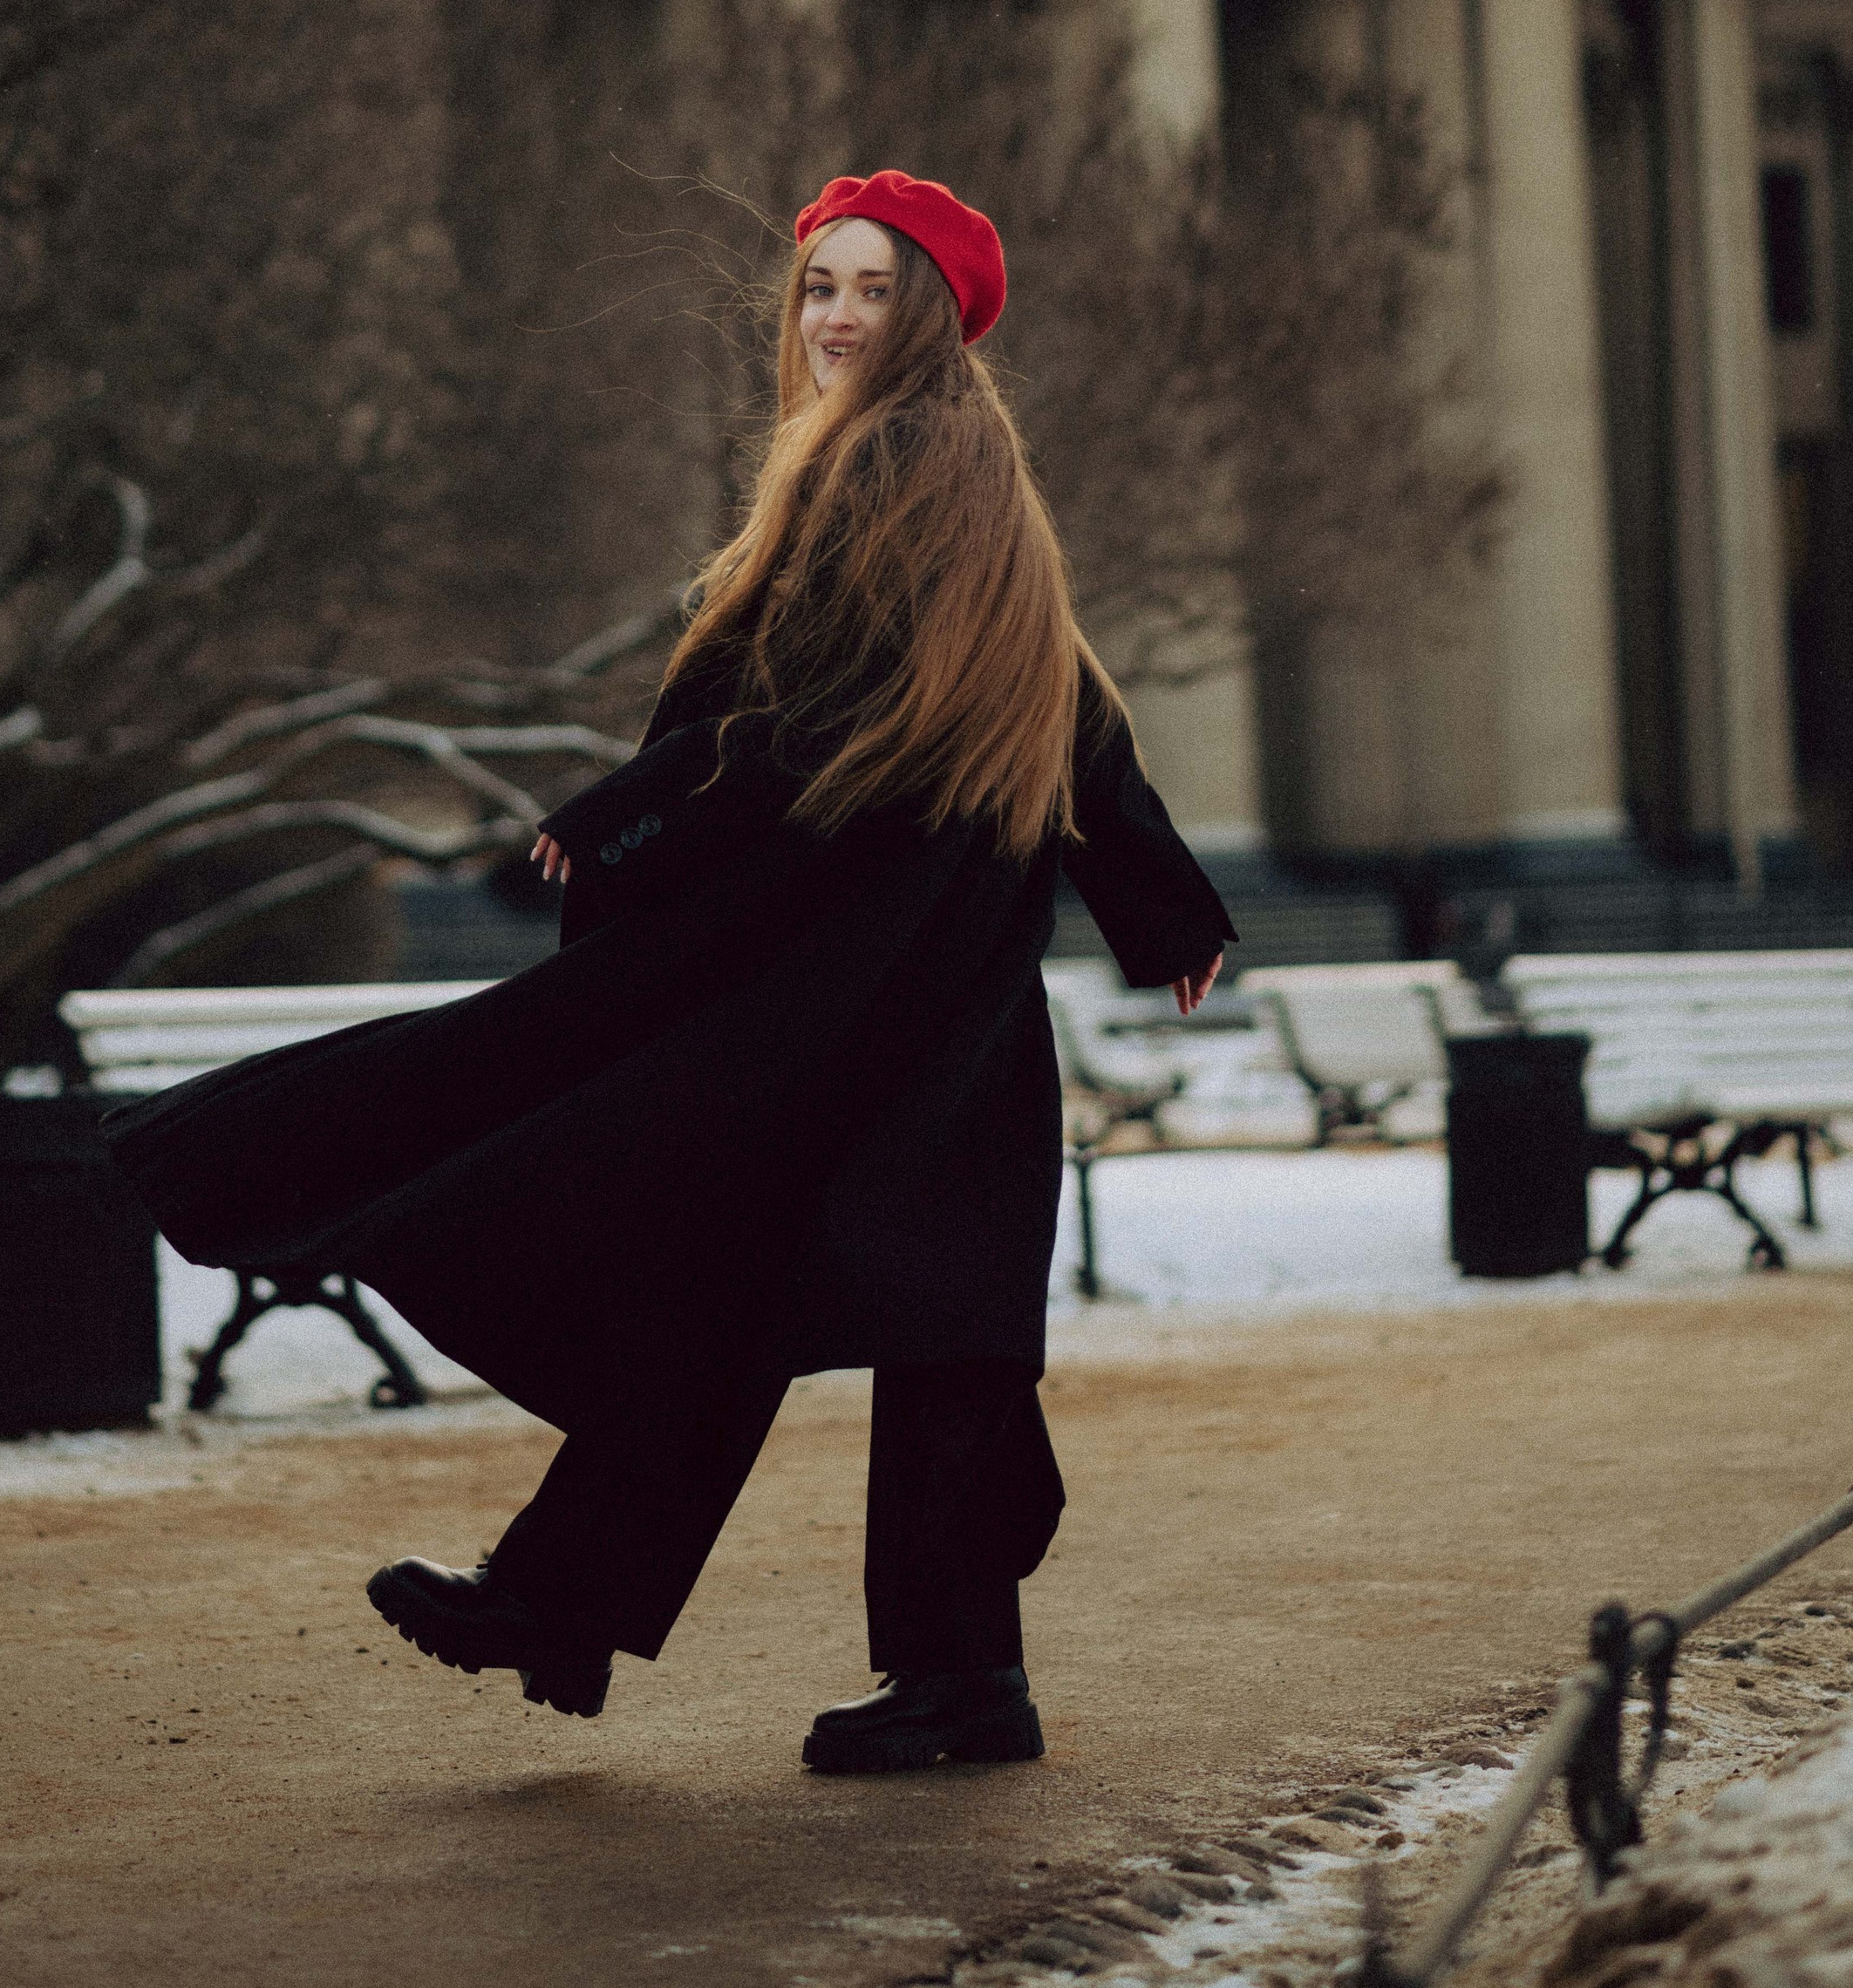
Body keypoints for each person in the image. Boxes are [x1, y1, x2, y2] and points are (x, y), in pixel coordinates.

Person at [105, 168, 1230, 1776]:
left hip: (879, 975)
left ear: (937, 317)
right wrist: (1161, 901)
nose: (836, 315)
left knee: (863, 1298)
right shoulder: (944, 467)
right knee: (830, 1295)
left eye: (871, 288)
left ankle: (944, 1677)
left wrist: (640, 812)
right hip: (916, 973)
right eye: (819, 287)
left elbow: (860, 702)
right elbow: (1070, 699)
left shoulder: (906, 464)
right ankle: (610, 1611)